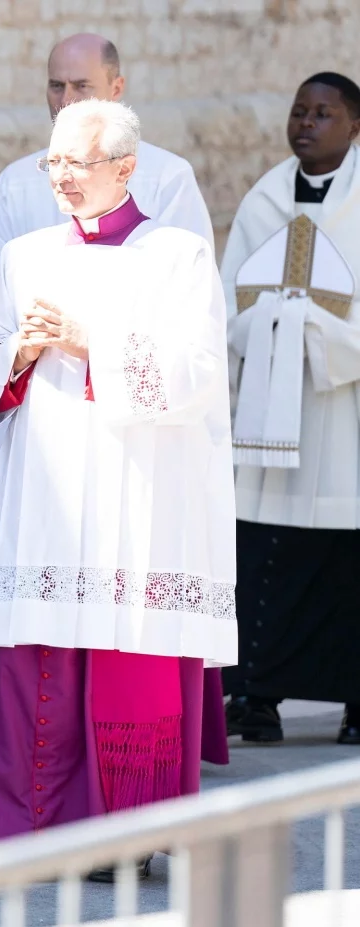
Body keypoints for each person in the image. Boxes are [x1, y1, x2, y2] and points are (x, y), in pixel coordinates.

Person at [0, 100, 237, 880]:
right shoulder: (25, 255)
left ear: (127, 167)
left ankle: (121, 830)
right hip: (39, 495)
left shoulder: (176, 256)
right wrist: (18, 348)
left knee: (118, 656)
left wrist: (90, 344)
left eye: (77, 163)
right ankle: (25, 827)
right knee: (30, 658)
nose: (62, 177)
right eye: (53, 164)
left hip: (132, 498)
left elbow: (200, 373)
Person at [219, 72, 360, 745]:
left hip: (345, 415)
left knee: (345, 558)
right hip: (273, 414)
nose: (305, 123)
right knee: (266, 550)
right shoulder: (264, 200)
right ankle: (256, 693)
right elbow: (231, 303)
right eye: (299, 111)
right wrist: (279, 317)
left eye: (323, 113)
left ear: (354, 124)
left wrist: (320, 331)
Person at [0, 33, 214, 298]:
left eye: (81, 86)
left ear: (116, 89)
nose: (66, 100)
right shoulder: (15, 182)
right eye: (57, 86)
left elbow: (190, 274)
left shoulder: (167, 177)